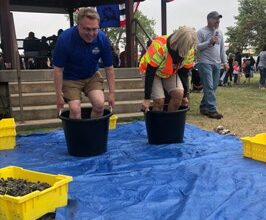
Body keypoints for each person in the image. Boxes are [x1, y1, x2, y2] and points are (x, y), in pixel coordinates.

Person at [53, 7, 115, 119]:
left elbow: (109, 68)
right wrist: (58, 96)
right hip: (70, 78)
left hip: (91, 75)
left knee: (99, 104)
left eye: (95, 29)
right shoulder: (65, 39)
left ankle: (93, 133)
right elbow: (58, 71)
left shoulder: (102, 39)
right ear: (78, 26)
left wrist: (111, 93)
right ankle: (77, 135)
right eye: (87, 29)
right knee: (75, 109)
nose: (91, 34)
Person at [139, 26, 197, 112]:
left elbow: (184, 73)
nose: (188, 50)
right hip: (150, 71)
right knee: (159, 101)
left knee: (178, 95)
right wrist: (147, 98)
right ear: (179, 43)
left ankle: (170, 122)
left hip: (169, 72)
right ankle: (157, 124)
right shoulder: (160, 46)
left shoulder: (190, 50)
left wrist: (184, 95)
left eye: (190, 46)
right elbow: (150, 71)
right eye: (187, 46)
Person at [197, 11, 228, 119]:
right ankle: (212, 110)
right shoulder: (201, 32)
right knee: (209, 86)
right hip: (205, 62)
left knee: (213, 87)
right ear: (209, 19)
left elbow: (221, 48)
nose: (218, 21)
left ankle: (203, 107)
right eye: (215, 19)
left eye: (219, 19)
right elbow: (198, 47)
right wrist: (209, 42)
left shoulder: (219, 32)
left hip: (217, 63)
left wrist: (225, 62)